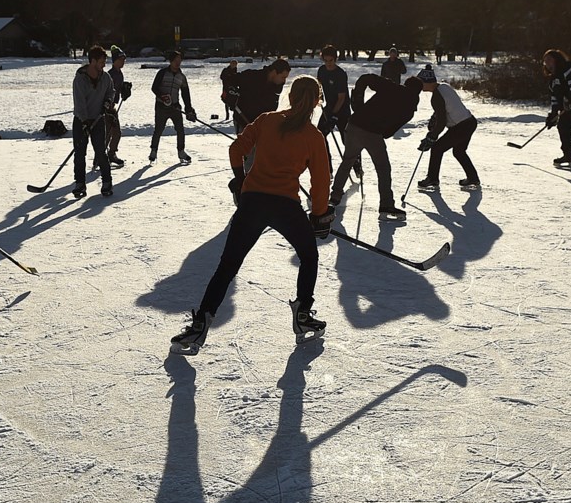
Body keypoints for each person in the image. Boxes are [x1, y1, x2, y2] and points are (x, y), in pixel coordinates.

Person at [170, 75, 334, 355]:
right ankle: (303, 314)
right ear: (317, 102)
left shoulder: (267, 120)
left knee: (228, 265)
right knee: (309, 256)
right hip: (285, 206)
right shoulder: (314, 137)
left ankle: (200, 324)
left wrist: (240, 181)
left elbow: (236, 151)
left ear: (290, 97)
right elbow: (321, 182)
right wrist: (319, 216)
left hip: (253, 202)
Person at [330, 72, 424, 221]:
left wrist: (357, 102)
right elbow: (390, 130)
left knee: (348, 161)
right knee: (383, 168)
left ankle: (334, 197)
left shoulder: (391, 87)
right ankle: (386, 204)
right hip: (372, 133)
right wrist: (380, 131)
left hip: (353, 125)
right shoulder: (410, 108)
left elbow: (365, 78)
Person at [415, 64, 481, 192]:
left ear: (427, 83)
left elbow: (442, 121)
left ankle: (432, 179)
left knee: (437, 149)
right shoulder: (444, 87)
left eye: (421, 83)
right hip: (469, 122)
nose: (420, 87)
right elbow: (445, 109)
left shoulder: (436, 97)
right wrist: (434, 118)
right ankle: (473, 178)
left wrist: (431, 137)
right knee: (459, 151)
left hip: (460, 126)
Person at [72, 44, 115, 197]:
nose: (104, 65)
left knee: (100, 152)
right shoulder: (80, 79)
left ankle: (107, 182)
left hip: (98, 120)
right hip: (81, 120)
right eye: (102, 62)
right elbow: (80, 103)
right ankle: (80, 184)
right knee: (79, 154)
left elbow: (111, 91)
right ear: (93, 61)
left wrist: (108, 102)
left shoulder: (105, 77)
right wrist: (85, 122)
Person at [150, 50, 196, 164]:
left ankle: (181, 151)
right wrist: (162, 96)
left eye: (179, 60)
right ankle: (153, 151)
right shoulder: (162, 73)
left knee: (180, 130)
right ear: (171, 61)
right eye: (176, 61)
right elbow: (154, 87)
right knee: (159, 129)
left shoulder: (182, 77)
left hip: (175, 107)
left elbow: (186, 94)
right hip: (161, 106)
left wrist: (188, 108)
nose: (178, 63)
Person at [316, 44, 354, 174]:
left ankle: (356, 165)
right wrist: (318, 98)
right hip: (329, 107)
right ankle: (327, 166)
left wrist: (334, 116)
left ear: (335, 59)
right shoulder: (321, 70)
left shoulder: (340, 74)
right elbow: (319, 87)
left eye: (330, 61)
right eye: (325, 60)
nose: (328, 64)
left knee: (346, 140)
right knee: (320, 135)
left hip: (342, 110)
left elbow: (341, 98)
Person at [233, 58, 291, 134]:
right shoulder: (252, 77)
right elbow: (230, 80)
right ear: (274, 72)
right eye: (283, 77)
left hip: (263, 126)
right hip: (244, 122)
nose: (284, 81)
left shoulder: (277, 85)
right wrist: (231, 69)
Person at [104, 44, 132, 168]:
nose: (123, 62)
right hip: (106, 108)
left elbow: (118, 90)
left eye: (124, 60)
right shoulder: (109, 75)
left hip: (113, 107)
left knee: (117, 133)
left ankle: (111, 153)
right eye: (121, 60)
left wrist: (125, 92)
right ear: (115, 61)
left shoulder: (120, 74)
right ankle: (100, 157)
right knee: (107, 133)